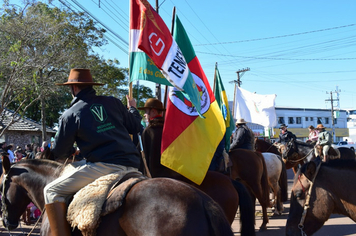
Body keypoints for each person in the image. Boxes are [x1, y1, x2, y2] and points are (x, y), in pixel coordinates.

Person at [43, 68, 142, 236]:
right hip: (132, 163)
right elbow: (136, 127)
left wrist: (72, 150)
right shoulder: (113, 102)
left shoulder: (70, 114)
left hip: (105, 166)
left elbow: (60, 151)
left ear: (73, 88)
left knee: (50, 191)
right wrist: (132, 109)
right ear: (91, 85)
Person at [138, 98, 165, 176]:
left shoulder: (149, 131)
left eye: (146, 111)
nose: (144, 114)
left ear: (153, 111)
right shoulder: (168, 129)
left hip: (153, 176)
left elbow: (141, 157)